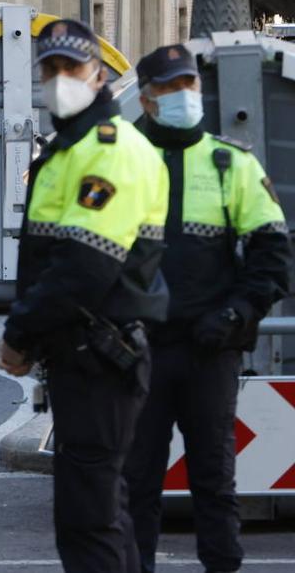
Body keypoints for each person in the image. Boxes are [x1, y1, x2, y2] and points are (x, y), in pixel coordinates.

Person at [0, 19, 170, 573]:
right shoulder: (70, 150)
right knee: (101, 514)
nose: (58, 80)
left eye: (70, 68)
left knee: (90, 522)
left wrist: (19, 333)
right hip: (82, 356)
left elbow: (84, 268)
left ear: (99, 75)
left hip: (101, 354)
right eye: (48, 70)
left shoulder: (107, 150)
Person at [123, 44, 291, 573]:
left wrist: (238, 314)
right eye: (171, 88)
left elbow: (273, 256)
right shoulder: (117, 162)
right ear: (147, 101)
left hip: (208, 350)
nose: (184, 96)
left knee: (215, 482)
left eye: (189, 84)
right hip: (137, 351)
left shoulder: (230, 164)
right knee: (135, 485)